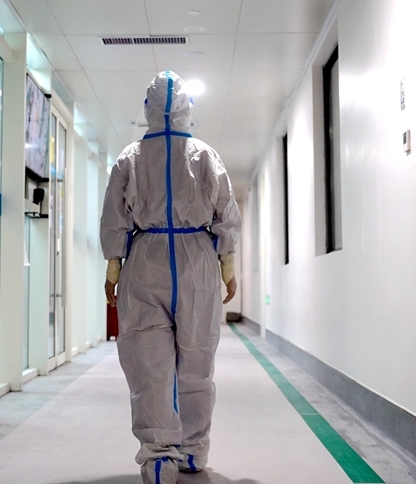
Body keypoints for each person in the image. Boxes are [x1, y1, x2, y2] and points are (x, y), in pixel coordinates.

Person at [100, 71, 241, 484]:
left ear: (147, 108)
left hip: (146, 261)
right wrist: (227, 265)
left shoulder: (130, 158)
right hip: (197, 261)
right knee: (197, 360)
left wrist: (113, 265)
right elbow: (226, 212)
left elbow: (114, 216)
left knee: (149, 364)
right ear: (185, 109)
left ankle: (159, 458)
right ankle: (193, 450)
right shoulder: (205, 155)